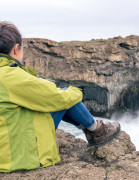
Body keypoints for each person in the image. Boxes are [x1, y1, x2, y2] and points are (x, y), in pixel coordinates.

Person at [0, 21, 120, 172]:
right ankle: (97, 130)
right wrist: (77, 92)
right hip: (18, 158)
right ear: (16, 48)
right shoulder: (11, 76)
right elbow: (58, 98)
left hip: (4, 150)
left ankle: (91, 129)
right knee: (66, 96)